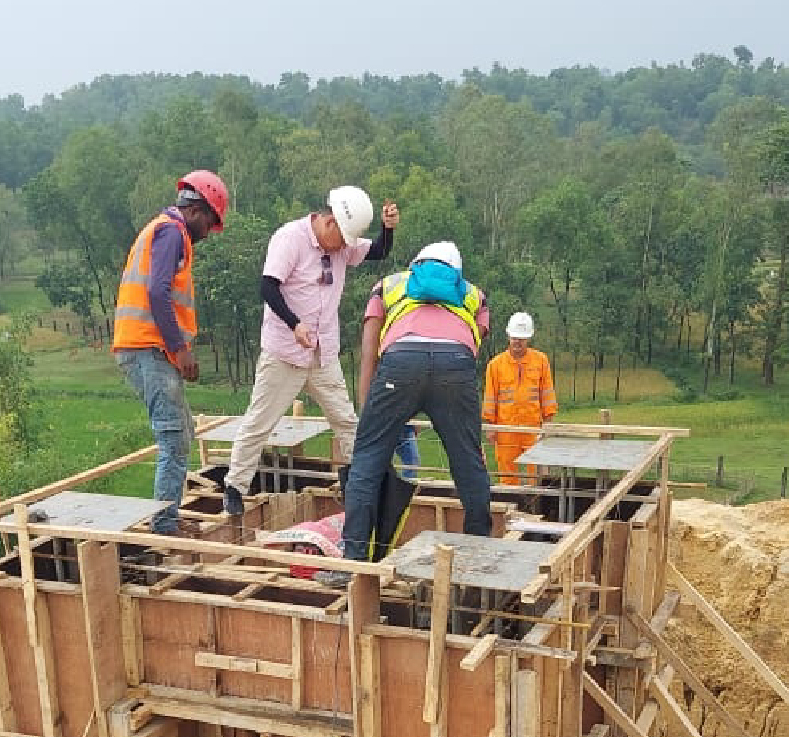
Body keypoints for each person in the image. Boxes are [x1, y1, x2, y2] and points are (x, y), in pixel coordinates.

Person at [222, 187, 400, 515]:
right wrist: (294, 324)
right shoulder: (290, 238)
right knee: (260, 421)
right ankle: (235, 487)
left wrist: (387, 229)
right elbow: (268, 287)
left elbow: (378, 251)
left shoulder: (342, 245)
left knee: (346, 421)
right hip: (284, 353)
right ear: (329, 222)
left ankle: (360, 484)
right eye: (342, 239)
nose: (345, 247)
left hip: (322, 355)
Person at [331, 241, 492, 572]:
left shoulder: (388, 285)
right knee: (468, 462)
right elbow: (473, 345)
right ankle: (480, 554)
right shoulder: (473, 294)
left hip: (400, 362)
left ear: (416, 264)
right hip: (455, 365)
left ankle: (353, 560)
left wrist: (369, 414)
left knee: (367, 461)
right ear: (455, 272)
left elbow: (369, 352)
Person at [112, 169, 229, 535]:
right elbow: (157, 292)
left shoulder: (164, 231)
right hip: (148, 347)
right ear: (195, 211)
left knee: (182, 432)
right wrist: (180, 350)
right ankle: (164, 526)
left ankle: (168, 517)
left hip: (146, 346)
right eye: (209, 223)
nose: (208, 233)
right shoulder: (171, 233)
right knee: (174, 437)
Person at [482, 311, 558, 485]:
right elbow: (490, 397)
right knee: (507, 472)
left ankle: (537, 500)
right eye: (515, 337)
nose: (518, 342)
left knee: (538, 473)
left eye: (522, 338)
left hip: (533, 427)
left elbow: (547, 393)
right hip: (505, 428)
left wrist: (548, 422)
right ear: (508, 336)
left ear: (528, 338)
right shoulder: (495, 365)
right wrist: (490, 426)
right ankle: (509, 499)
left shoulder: (540, 361)